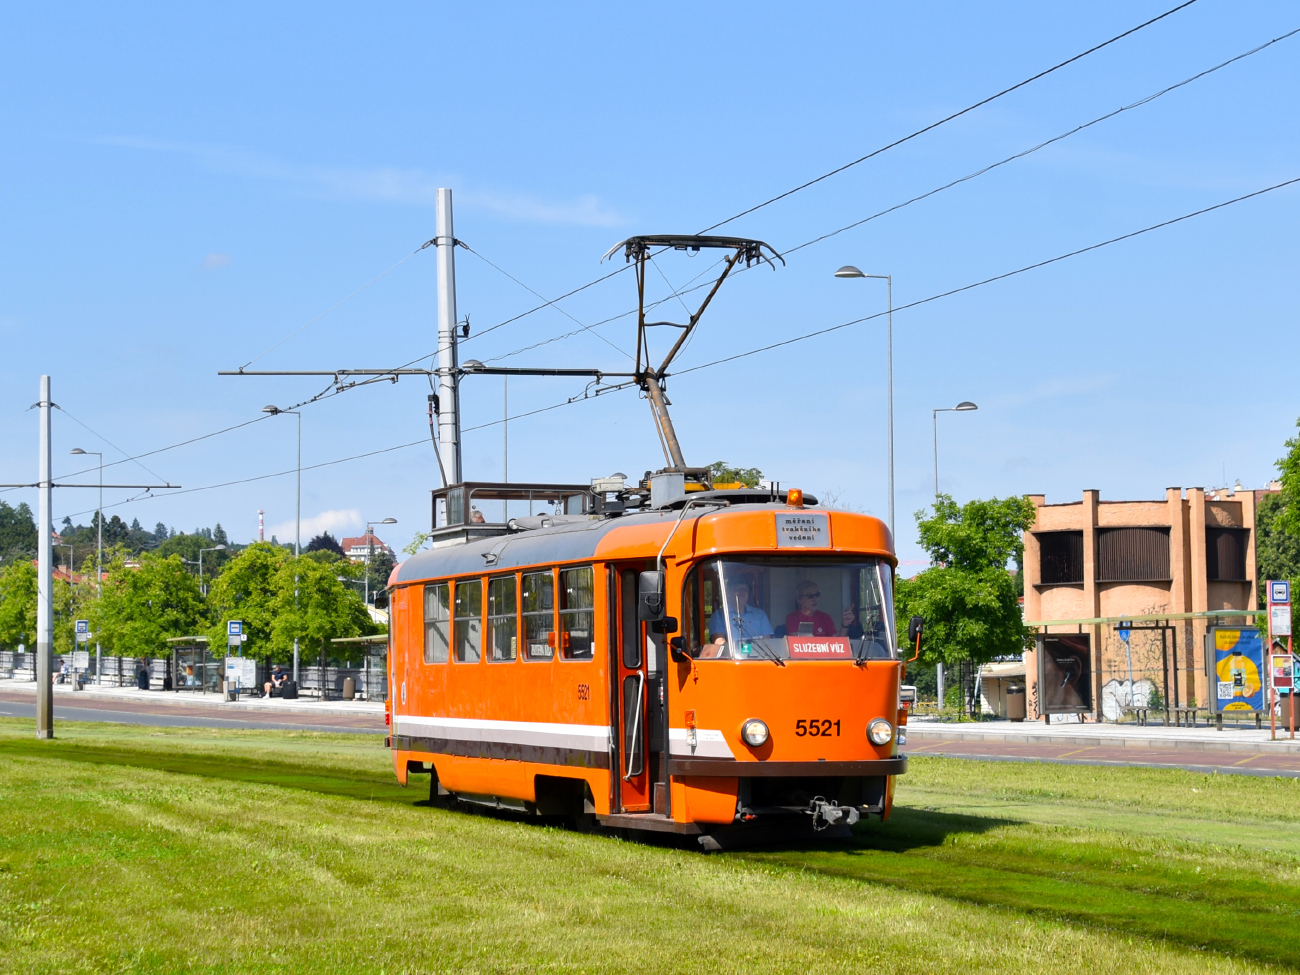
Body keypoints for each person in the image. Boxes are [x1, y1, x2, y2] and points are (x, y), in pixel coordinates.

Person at [707, 581, 774, 645]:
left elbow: (767, 642)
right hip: (732, 657)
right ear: (728, 592)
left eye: (745, 589)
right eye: (737, 588)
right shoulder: (719, 615)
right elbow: (719, 642)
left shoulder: (760, 614)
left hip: (760, 656)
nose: (742, 592)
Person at [785, 580, 856, 638]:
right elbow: (795, 644)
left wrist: (845, 624)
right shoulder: (792, 618)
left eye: (817, 595)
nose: (814, 599)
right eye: (810, 596)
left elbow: (838, 644)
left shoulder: (825, 617)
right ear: (800, 600)